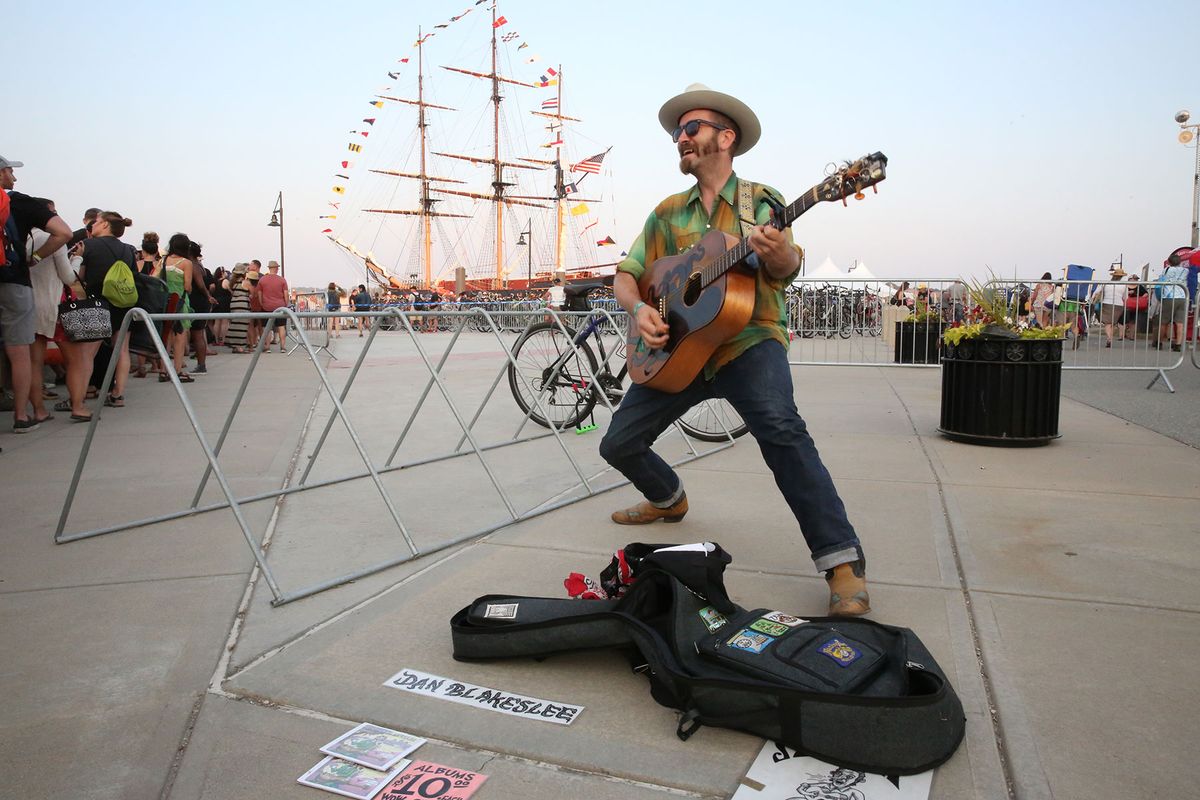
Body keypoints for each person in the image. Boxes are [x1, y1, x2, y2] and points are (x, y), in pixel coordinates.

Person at [598, 83, 869, 616]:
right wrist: (640, 310)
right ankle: (668, 499)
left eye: (691, 128)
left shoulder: (761, 202)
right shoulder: (667, 212)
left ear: (726, 137)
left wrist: (782, 254)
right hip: (679, 350)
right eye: (677, 131)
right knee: (618, 443)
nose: (680, 138)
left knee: (782, 430)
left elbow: (785, 269)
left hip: (747, 339)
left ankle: (842, 564)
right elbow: (628, 275)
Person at [1, 156, 73, 431]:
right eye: (10, 171)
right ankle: (23, 415)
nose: (14, 177)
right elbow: (63, 233)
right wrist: (34, 257)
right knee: (22, 353)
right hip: (14, 282)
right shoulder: (19, 201)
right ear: (2, 173)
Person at [68, 211, 139, 408]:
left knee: (88, 353)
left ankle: (79, 398)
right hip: (124, 302)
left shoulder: (88, 245)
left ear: (106, 225)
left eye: (97, 222)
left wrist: (79, 257)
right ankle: (118, 394)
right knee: (122, 349)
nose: (92, 225)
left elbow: (77, 277)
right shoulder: (127, 249)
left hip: (97, 302)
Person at [155, 234, 194, 382]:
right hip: (180, 302)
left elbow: (156, 279)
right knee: (180, 338)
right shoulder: (186, 263)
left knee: (167, 337)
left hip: (165, 302)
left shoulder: (163, 261)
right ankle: (177, 371)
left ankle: (163, 370)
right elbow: (187, 286)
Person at [186, 241, 213, 374]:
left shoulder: (193, 265)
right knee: (199, 333)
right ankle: (200, 364)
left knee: (197, 334)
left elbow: (201, 285)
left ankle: (201, 364)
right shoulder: (199, 265)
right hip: (201, 301)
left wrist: (208, 296)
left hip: (196, 301)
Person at [1155, 250, 1190, 351]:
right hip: (1183, 296)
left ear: (1169, 262)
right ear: (1179, 262)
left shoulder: (1166, 270)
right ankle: (1178, 344)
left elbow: (1161, 281)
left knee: (1164, 322)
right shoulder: (1185, 271)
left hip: (1169, 296)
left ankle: (1159, 342)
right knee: (1180, 323)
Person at [257, 260, 290, 352]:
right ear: (276, 268)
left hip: (266, 306)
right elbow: (286, 294)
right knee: (281, 326)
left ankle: (267, 346)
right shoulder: (282, 280)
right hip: (280, 306)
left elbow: (259, 294)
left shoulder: (262, 279)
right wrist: (285, 305)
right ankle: (283, 347)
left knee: (266, 327)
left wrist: (261, 304)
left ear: (269, 268)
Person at [1090, 266, 1127, 346]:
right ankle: (1110, 337)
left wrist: (1092, 299)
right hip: (1119, 305)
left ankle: (1109, 338)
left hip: (1107, 303)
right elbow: (1125, 297)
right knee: (1113, 323)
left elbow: (1096, 292)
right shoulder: (1124, 285)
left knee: (1107, 323)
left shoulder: (1106, 283)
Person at [225, 264, 251, 353]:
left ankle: (234, 346)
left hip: (234, 303)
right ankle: (240, 347)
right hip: (243, 303)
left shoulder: (231, 282)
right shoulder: (245, 282)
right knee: (242, 326)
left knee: (235, 324)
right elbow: (252, 293)